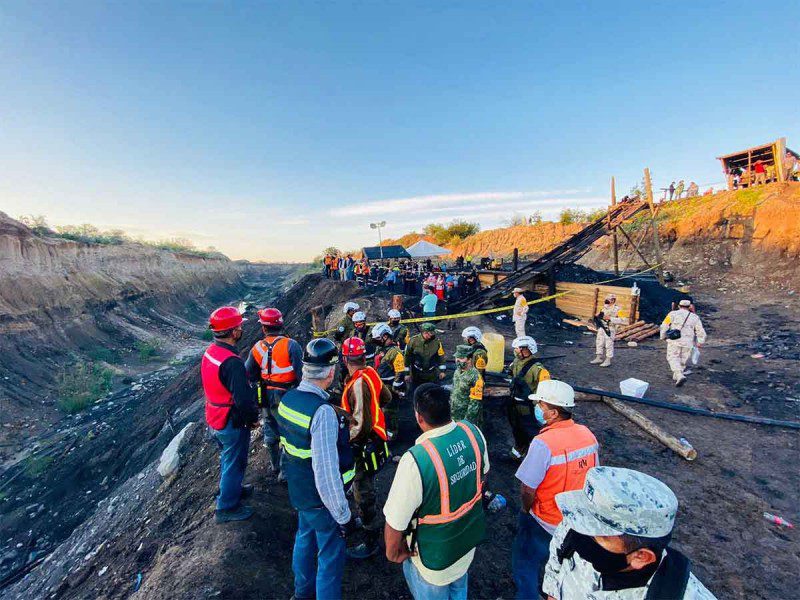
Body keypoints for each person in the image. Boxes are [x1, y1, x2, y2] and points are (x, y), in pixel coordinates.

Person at [542, 466, 717, 600]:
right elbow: (555, 563)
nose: (581, 532)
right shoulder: (578, 523)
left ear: (641, 556)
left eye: (600, 534)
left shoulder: (679, 594)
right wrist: (552, 594)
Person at [384, 384, 489, 600]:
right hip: (466, 544)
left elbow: (395, 520)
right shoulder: (472, 432)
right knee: (459, 588)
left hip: (434, 559)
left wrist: (393, 553)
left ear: (418, 417)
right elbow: (482, 475)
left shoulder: (416, 460)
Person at [275, 338, 356, 600]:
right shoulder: (322, 414)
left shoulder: (288, 400)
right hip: (322, 502)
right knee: (330, 559)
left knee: (304, 539)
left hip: (299, 493)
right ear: (331, 372)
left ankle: (301, 593)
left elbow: (287, 448)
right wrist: (343, 515)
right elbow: (326, 473)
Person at [512, 380, 599, 599]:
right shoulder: (588, 435)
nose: (537, 409)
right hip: (576, 521)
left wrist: (525, 510)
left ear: (552, 412)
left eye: (540, 405)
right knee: (562, 566)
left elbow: (527, 488)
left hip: (544, 520)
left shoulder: (544, 442)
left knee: (525, 561)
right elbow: (593, 476)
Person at [201, 306, 259, 523]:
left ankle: (232, 490)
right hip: (230, 421)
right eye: (239, 326)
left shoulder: (211, 352)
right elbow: (243, 400)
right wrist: (252, 419)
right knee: (235, 461)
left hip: (215, 416)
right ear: (233, 332)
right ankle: (226, 507)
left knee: (228, 458)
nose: (241, 329)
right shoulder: (232, 363)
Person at [339, 336, 391, 559]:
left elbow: (360, 423)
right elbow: (386, 397)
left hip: (363, 445)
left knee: (362, 490)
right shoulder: (371, 372)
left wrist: (345, 440)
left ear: (344, 358)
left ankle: (371, 538)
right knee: (365, 484)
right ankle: (367, 520)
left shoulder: (358, 382)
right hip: (375, 441)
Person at [245, 307, 303, 480]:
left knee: (270, 430)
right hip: (286, 394)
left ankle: (274, 466)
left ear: (263, 328)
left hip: (265, 394)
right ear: (281, 325)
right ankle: (285, 473)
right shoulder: (291, 345)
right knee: (287, 432)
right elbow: (300, 373)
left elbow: (249, 372)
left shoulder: (257, 348)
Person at [507, 336, 550, 460]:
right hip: (514, 401)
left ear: (526, 350)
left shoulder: (538, 369)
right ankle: (519, 450)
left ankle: (535, 457)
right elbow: (511, 372)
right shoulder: (516, 362)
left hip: (527, 406)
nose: (515, 351)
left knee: (530, 430)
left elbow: (545, 389)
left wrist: (538, 405)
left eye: (517, 349)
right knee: (516, 427)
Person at [659, 299, 707, 387]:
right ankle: (677, 375)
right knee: (682, 359)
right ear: (689, 307)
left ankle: (679, 375)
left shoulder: (672, 314)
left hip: (675, 341)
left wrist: (662, 336)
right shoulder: (694, 317)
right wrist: (700, 341)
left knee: (673, 357)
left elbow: (664, 325)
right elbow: (700, 330)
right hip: (688, 342)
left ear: (678, 306)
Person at [372, 322, 406, 439]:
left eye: (378, 338)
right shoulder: (380, 349)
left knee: (390, 411)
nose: (376, 340)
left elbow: (400, 371)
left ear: (385, 336)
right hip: (380, 383)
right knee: (380, 409)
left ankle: (392, 432)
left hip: (390, 385)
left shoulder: (395, 352)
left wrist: (396, 387)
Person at [404, 322, 446, 398]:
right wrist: (407, 373)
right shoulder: (413, 341)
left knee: (433, 394)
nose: (433, 335)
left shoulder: (436, 342)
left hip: (432, 374)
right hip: (417, 374)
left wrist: (442, 371)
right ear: (425, 333)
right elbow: (407, 357)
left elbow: (440, 356)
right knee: (416, 394)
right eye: (431, 333)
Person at [450, 345, 485, 427]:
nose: (457, 361)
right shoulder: (457, 372)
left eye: (461, 358)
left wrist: (467, 422)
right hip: (454, 413)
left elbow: (475, 403)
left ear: (469, 360)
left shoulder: (476, 377)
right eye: (456, 358)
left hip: (466, 417)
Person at [590, 294, 626, 368]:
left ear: (613, 300)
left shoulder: (618, 309)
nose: (606, 300)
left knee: (608, 344)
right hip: (602, 327)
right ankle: (598, 358)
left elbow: (624, 320)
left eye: (608, 299)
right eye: (606, 298)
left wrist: (610, 318)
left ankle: (608, 360)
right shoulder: (604, 307)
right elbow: (600, 316)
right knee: (599, 342)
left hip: (610, 328)